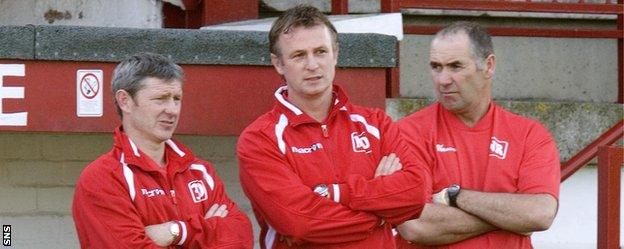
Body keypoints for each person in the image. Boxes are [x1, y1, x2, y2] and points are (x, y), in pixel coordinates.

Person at [236, 5, 430, 249]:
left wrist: (339, 194)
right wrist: (382, 212)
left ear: (335, 54)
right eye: (299, 55)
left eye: (320, 52)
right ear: (278, 64)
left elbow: (416, 192)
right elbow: (301, 224)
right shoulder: (260, 139)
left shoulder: (376, 124)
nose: (312, 65)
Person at [395, 21, 560, 249]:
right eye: (436, 66)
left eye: (455, 66)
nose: (443, 79)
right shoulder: (407, 132)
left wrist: (455, 197)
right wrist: (508, 218)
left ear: (489, 66)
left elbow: (539, 213)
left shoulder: (530, 135)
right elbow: (416, 225)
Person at [72, 52, 253, 248]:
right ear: (125, 101)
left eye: (177, 98)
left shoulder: (199, 171)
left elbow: (242, 237)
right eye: (160, 99)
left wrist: (176, 231)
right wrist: (209, 232)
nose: (173, 110)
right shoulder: (103, 179)